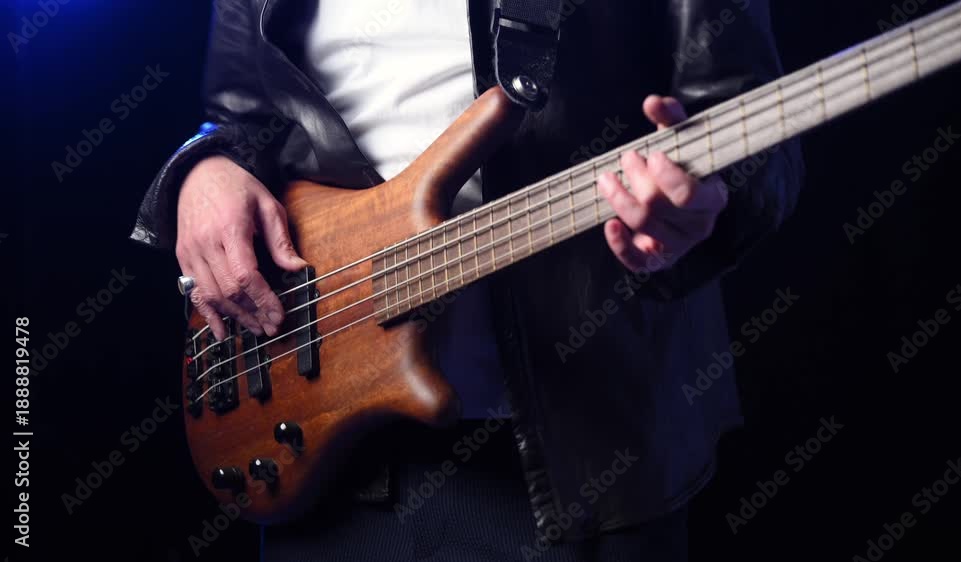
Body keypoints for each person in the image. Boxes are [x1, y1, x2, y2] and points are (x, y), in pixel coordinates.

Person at [132, 0, 803, 560]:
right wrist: (202, 170)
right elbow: (241, 118)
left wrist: (704, 208)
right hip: (323, 453)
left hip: (577, 462)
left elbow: (753, 129)